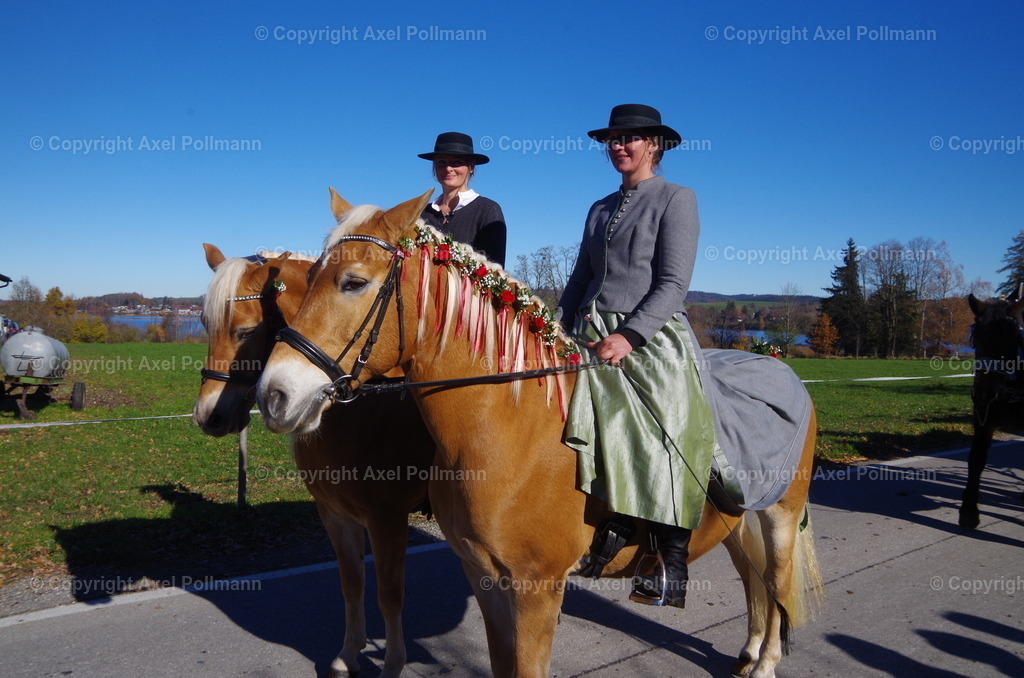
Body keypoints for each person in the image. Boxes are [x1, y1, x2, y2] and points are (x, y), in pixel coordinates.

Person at [558, 104, 718, 608]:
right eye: (613, 139)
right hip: (588, 331)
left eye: (630, 139)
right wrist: (554, 327)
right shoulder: (599, 208)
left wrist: (629, 336)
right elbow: (580, 278)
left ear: (654, 145)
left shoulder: (677, 198)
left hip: (650, 335)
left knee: (670, 425)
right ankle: (611, 518)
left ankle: (670, 560)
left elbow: (673, 283)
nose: (619, 146)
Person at [418, 132, 507, 266]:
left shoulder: (488, 210)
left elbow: (494, 270)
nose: (448, 168)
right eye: (441, 162)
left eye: (456, 162)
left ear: (471, 167)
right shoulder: (422, 213)